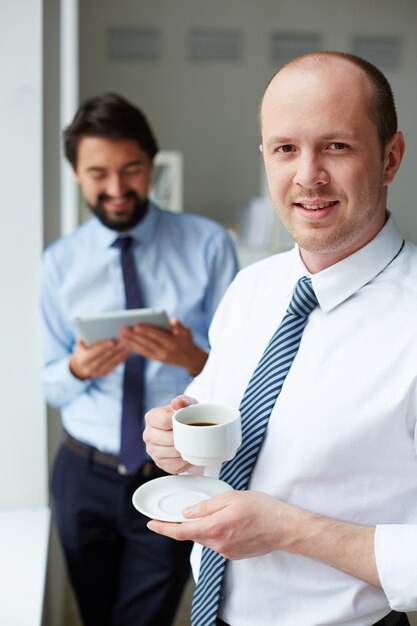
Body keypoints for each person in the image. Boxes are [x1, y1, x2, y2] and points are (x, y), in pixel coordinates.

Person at [143, 51, 417, 626]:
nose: (308, 175)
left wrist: (291, 530)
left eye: (336, 146)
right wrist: (174, 439)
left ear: (390, 158)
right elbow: (215, 425)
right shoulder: (252, 287)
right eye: (285, 148)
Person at [40, 92, 238, 626]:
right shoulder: (58, 264)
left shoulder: (208, 245)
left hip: (173, 471)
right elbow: (49, 386)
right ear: (77, 174)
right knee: (96, 612)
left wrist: (190, 354)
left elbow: (242, 375)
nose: (117, 189)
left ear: (150, 163)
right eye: (97, 173)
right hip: (84, 471)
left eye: (131, 169)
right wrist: (79, 368)